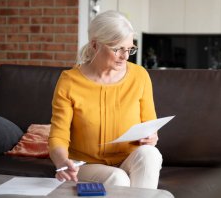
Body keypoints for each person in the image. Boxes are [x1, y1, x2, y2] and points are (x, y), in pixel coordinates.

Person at [48, 10, 162, 189]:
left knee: (151, 154)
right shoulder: (69, 81)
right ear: (95, 45)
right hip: (87, 166)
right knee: (118, 178)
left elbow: (150, 126)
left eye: (130, 49)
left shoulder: (140, 76)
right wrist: (62, 162)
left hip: (128, 159)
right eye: (117, 49)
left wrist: (151, 138)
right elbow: (58, 135)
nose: (125, 56)